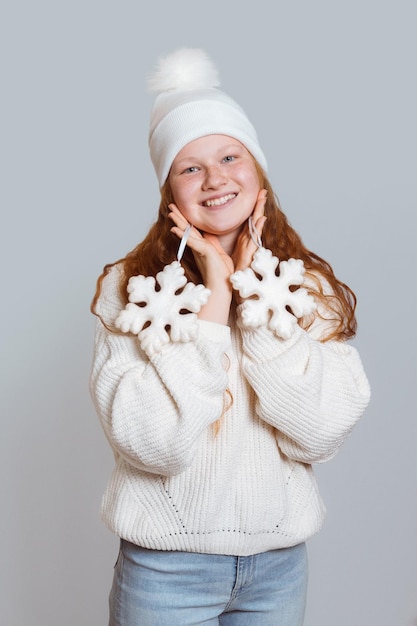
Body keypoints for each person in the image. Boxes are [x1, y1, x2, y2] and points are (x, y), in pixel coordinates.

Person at [90, 48, 371, 626]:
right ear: (169, 189)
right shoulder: (133, 290)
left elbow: (317, 435)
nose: (215, 178)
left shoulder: (302, 288)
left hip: (278, 568)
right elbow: (154, 444)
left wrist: (258, 310)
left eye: (229, 156)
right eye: (190, 167)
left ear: (258, 170)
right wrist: (216, 302)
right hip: (165, 570)